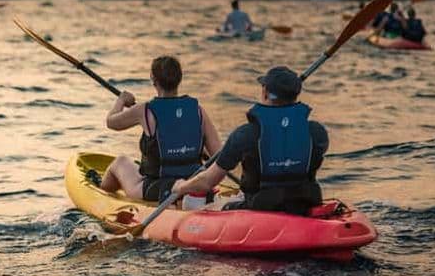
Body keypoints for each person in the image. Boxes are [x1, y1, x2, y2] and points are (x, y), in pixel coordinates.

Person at [172, 66, 328, 215]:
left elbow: (207, 182)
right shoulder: (317, 132)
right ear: (295, 95)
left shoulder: (246, 134)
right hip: (305, 204)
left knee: (207, 207)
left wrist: (181, 187)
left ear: (265, 93)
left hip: (261, 207)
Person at [100, 56, 222, 202]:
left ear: (153, 79)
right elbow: (219, 156)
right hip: (194, 184)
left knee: (120, 162)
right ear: (179, 78)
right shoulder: (197, 110)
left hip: (160, 188)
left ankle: (102, 196)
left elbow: (111, 122)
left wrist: (121, 100)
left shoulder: (145, 110)